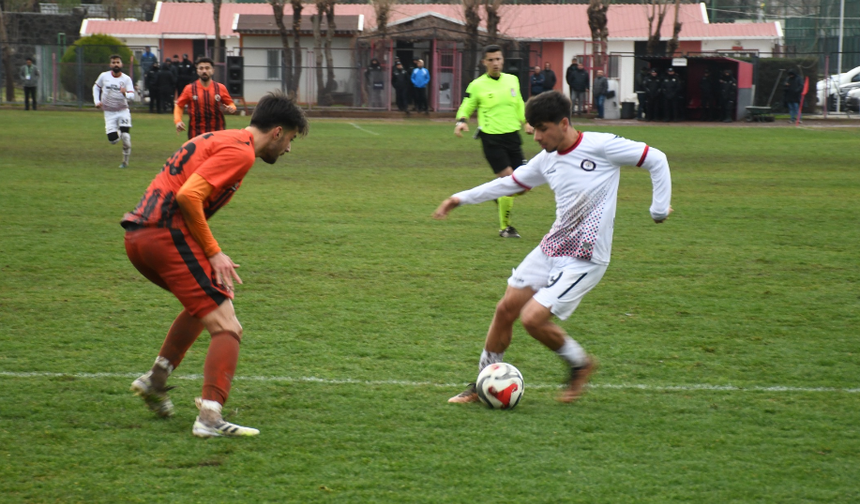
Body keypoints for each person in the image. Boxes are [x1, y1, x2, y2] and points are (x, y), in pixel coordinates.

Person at [434, 90, 672, 405]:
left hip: (585, 257)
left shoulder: (601, 146)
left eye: (542, 129)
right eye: (534, 129)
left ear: (563, 123)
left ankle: (580, 364)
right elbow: (509, 183)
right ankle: (482, 384)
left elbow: (656, 158)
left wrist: (658, 209)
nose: (536, 137)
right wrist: (459, 198)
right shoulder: (546, 160)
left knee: (532, 319)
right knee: (505, 309)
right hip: (552, 248)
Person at [124, 91, 309, 438]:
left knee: (209, 301)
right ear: (277, 132)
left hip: (139, 236)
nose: (288, 149)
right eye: (291, 140)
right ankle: (209, 418)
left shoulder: (224, 138)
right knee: (228, 326)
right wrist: (213, 251)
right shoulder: (241, 152)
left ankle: (156, 380)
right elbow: (188, 196)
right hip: (164, 235)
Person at [454, 44, 532, 239]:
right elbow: (466, 104)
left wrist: (526, 122)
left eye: (498, 59)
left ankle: (497, 194)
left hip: (513, 137)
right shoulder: (477, 85)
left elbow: (519, 104)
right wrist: (461, 121)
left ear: (503, 60)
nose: (495, 63)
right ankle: (505, 228)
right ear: (484, 62)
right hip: (491, 139)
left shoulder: (512, 80)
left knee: (522, 186)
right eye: (491, 60)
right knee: (509, 181)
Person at [174, 57, 237, 139]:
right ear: (197, 71)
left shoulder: (220, 88)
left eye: (207, 68)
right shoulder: (189, 89)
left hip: (217, 133)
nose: (204, 71)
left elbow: (231, 103)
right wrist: (178, 121)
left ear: (212, 70)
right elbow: (179, 105)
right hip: (196, 133)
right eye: (201, 68)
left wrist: (232, 108)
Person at [93, 54, 135, 168]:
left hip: (123, 110)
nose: (116, 64)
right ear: (110, 64)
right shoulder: (104, 76)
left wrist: (125, 93)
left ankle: (125, 162)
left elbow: (132, 96)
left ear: (121, 64)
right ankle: (120, 131)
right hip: (109, 112)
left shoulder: (126, 79)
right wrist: (97, 101)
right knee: (113, 140)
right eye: (113, 62)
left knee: (126, 138)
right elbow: (96, 87)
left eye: (117, 62)